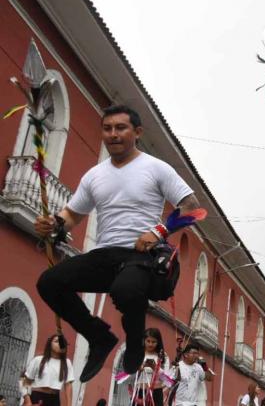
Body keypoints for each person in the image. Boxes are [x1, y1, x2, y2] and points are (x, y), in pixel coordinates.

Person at [34, 105, 200, 382]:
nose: (113, 134)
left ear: (137, 132)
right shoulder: (94, 175)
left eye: (120, 128)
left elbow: (192, 208)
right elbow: (73, 214)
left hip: (140, 254)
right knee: (48, 283)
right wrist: (54, 224)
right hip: (103, 254)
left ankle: (135, 341)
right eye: (107, 128)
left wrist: (159, 231)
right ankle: (99, 336)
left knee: (126, 289)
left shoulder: (156, 168)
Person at [21, 334, 75, 406]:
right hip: (38, 398)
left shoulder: (66, 363)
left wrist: (69, 404)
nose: (60, 344)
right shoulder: (38, 360)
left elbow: (68, 385)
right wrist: (27, 400)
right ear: (50, 344)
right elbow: (24, 381)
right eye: (56, 341)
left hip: (54, 399)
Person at [126, 328, 170, 406]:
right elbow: (128, 378)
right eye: (148, 341)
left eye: (153, 342)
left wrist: (154, 367)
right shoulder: (137, 355)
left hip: (156, 394)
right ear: (144, 341)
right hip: (139, 392)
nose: (150, 344)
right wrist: (138, 370)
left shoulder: (163, 357)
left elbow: (167, 380)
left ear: (158, 342)